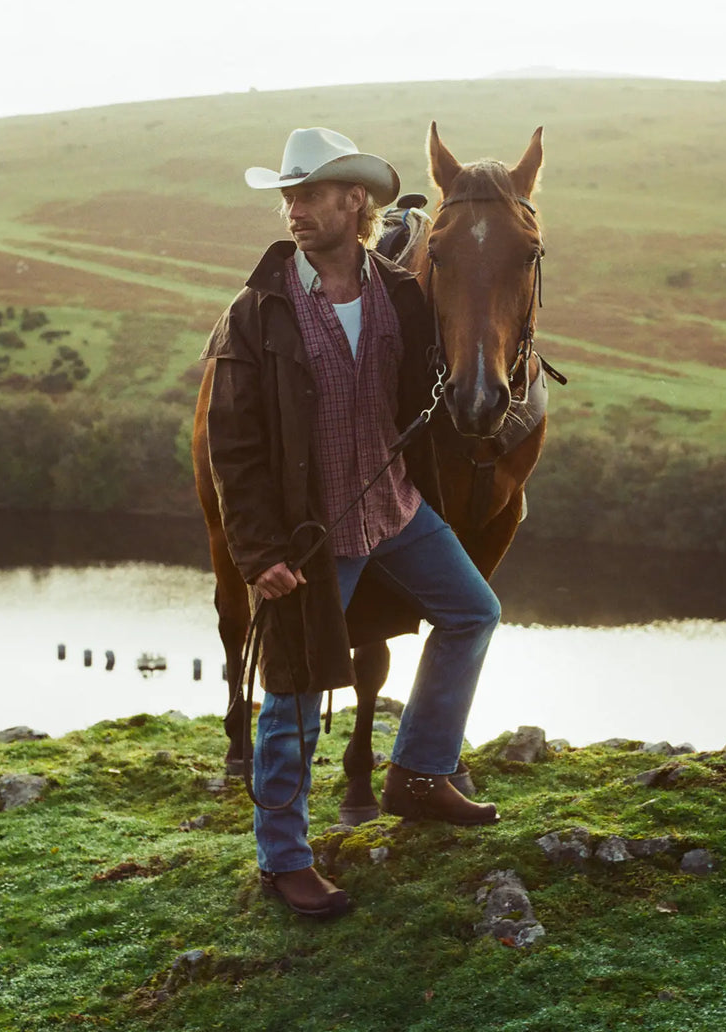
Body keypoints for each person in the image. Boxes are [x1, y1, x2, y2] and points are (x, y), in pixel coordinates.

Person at [201, 127, 501, 918]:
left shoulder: (401, 294)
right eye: (288, 196)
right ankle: (284, 860)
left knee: (475, 611)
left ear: (354, 202)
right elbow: (231, 446)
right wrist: (259, 550)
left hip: (395, 508)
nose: (293, 210)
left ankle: (419, 773)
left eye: (309, 195)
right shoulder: (256, 313)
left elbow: (474, 329)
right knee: (293, 700)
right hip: (308, 536)